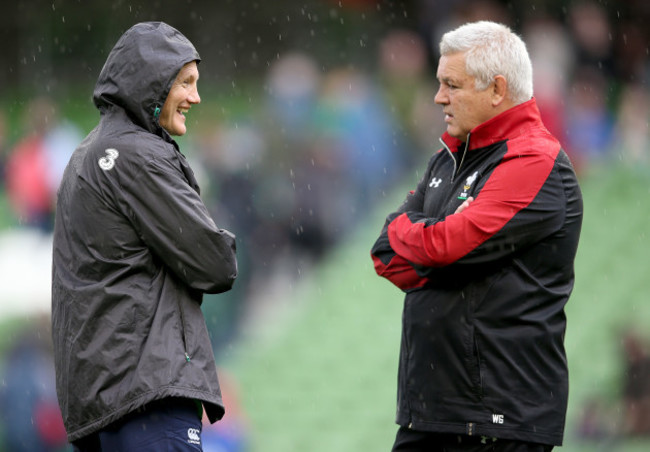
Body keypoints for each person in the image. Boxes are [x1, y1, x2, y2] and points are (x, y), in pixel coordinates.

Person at [370, 21, 583, 451]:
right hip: (429, 411)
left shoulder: (533, 159)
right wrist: (432, 246)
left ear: (497, 89)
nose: (439, 97)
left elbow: (445, 245)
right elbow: (385, 254)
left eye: (451, 85)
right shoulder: (450, 154)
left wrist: (427, 245)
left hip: (496, 419)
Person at [51, 22, 238, 451]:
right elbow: (215, 265)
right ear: (153, 83)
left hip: (99, 401)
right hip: (149, 396)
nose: (196, 97)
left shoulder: (85, 154)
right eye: (186, 83)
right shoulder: (137, 155)